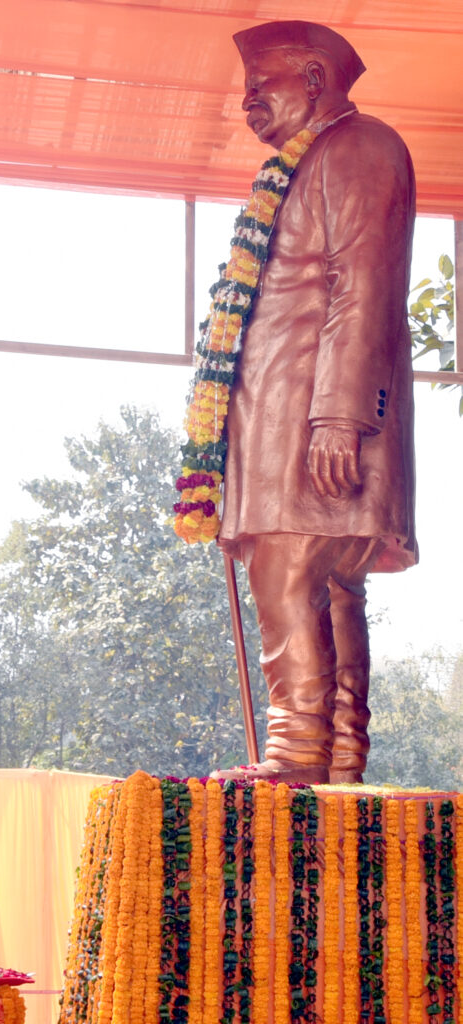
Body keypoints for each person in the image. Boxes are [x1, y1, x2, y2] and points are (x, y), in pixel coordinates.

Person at [213, 21, 416, 785]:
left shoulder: (359, 147)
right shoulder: (298, 168)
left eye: (258, 85)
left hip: (313, 419)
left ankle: (298, 753)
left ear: (312, 77)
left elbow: (363, 283)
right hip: (278, 420)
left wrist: (339, 413)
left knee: (290, 577)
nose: (247, 101)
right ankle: (335, 761)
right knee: (322, 588)